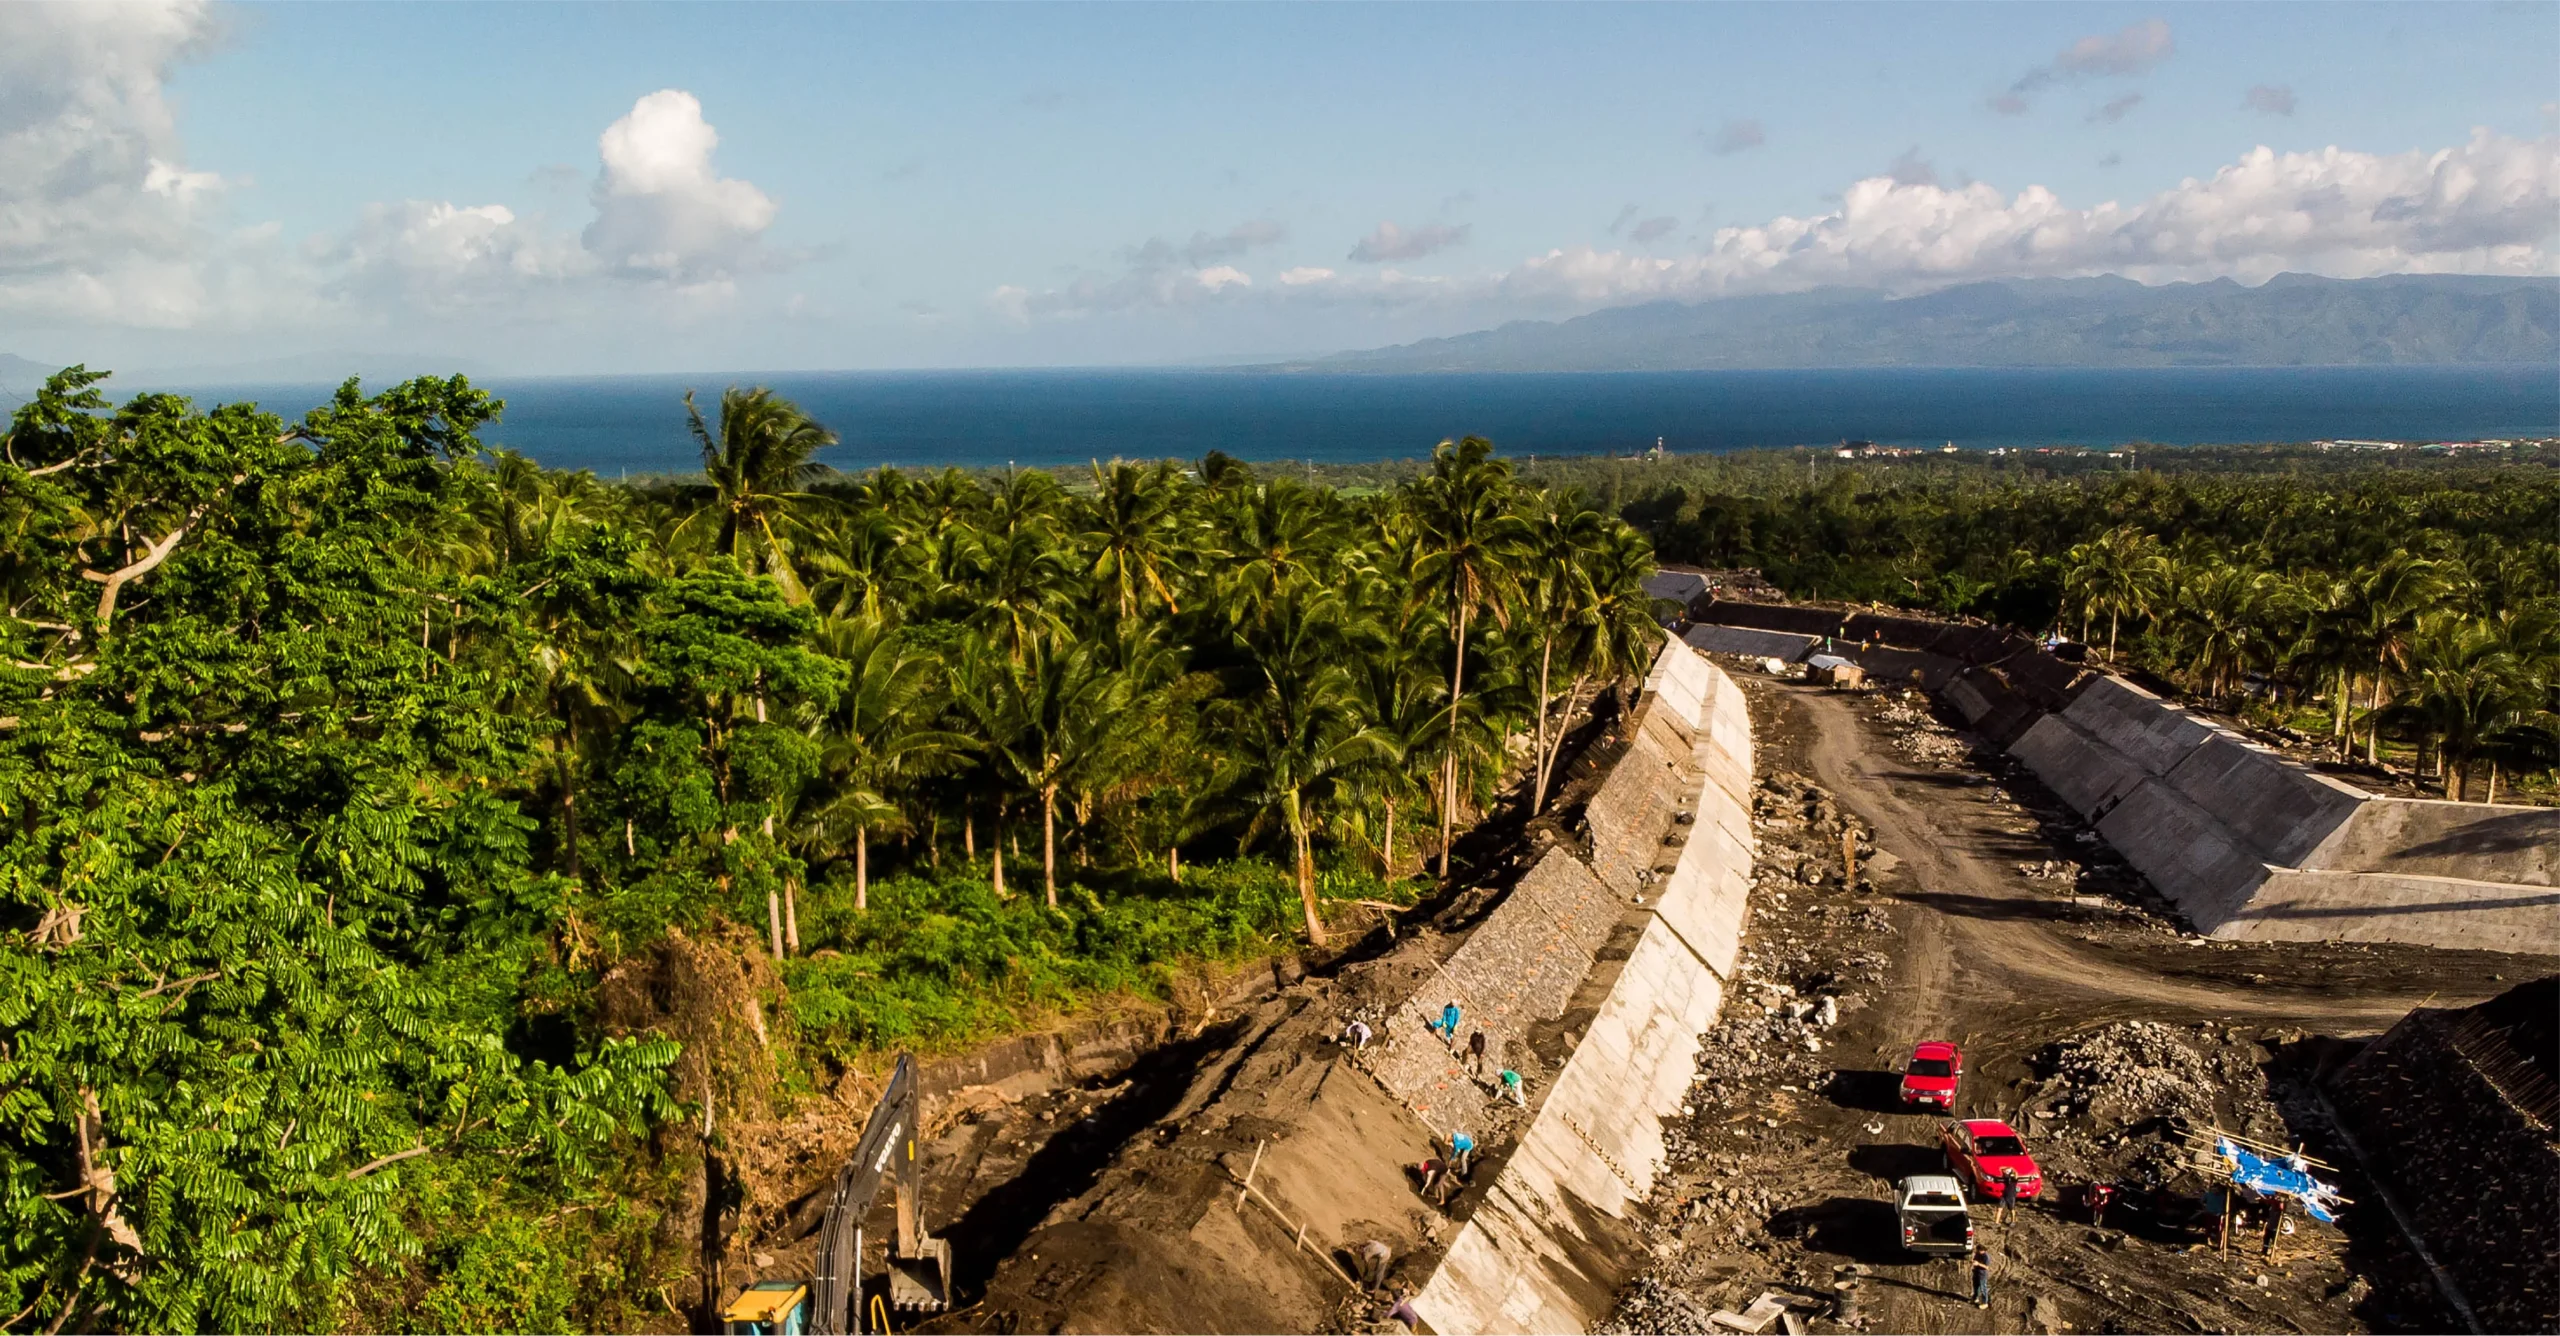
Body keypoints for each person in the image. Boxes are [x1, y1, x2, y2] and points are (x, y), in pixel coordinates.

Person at [1970, 1245, 1991, 1310]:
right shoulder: (1977, 1254)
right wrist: (1972, 1261)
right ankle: (1975, 1298)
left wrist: (1978, 1264)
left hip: (1982, 1274)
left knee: (1983, 1288)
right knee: (1975, 1286)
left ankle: (1985, 1303)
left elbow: (1987, 1267)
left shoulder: (1986, 1257)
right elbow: (1975, 1259)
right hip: (1976, 1272)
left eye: (1978, 1251)